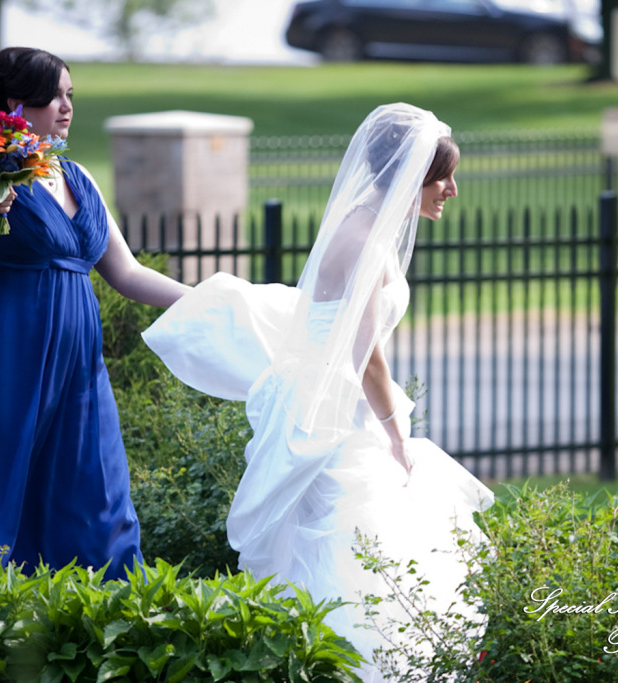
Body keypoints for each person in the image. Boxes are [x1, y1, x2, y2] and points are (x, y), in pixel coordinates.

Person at [143, 103, 494, 680]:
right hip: (332, 417)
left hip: (326, 403)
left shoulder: (362, 224)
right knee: (353, 541)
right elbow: (368, 360)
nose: (451, 189)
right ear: (409, 173)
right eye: (442, 177)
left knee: (357, 544)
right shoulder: (364, 241)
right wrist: (396, 434)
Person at [0, 47, 192, 582]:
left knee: (97, 495)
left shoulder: (79, 178)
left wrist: (215, 298)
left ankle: (106, 632)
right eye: (54, 95)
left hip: (78, 370)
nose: (67, 107)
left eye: (70, 95)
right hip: (5, 359)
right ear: (14, 103)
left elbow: (128, 273)